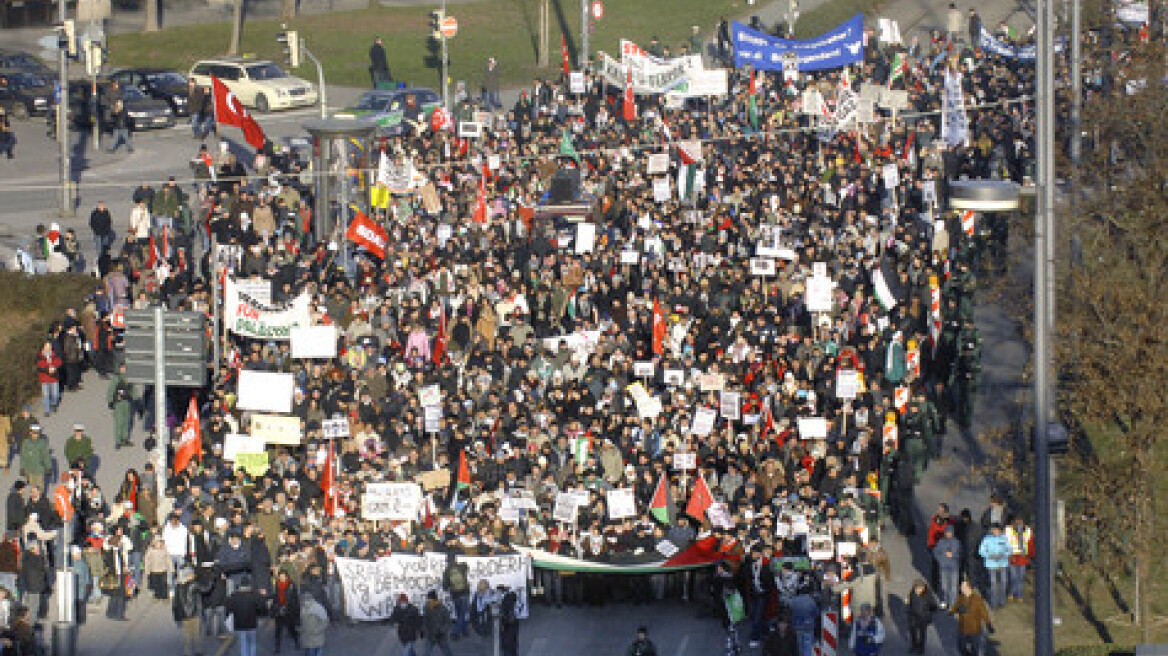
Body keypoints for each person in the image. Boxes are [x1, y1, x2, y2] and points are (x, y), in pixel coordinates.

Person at [950, 580, 993, 656]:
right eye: (961, 586)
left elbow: (984, 612)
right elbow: (953, 609)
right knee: (961, 648)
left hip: (974, 629)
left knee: (975, 650)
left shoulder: (977, 599)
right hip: (963, 629)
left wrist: (988, 624)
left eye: (963, 586)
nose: (961, 588)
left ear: (968, 587)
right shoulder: (960, 598)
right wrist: (956, 610)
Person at [225, 574, 264, 656]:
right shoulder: (254, 595)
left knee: (243, 644)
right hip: (252, 623)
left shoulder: (234, 596)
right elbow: (261, 607)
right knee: (252, 643)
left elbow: (229, 609)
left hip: (239, 624)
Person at [172, 566, 203, 656]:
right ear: (189, 575)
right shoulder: (193, 585)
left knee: (186, 635)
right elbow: (205, 589)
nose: (193, 575)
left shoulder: (178, 587)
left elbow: (175, 603)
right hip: (195, 613)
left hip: (184, 615)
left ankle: (187, 652)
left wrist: (176, 617)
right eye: (192, 574)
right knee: (196, 633)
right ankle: (198, 651)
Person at [978, 524, 1010, 608]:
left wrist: (1003, 555)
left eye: (997, 530)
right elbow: (981, 551)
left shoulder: (1004, 538)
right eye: (994, 530)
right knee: (993, 584)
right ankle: (993, 603)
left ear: (1000, 530)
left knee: (1004, 583)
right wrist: (989, 555)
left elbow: (1009, 550)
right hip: (991, 565)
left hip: (1002, 564)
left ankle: (1002, 601)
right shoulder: (986, 539)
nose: (995, 531)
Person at [269, 569, 300, 654]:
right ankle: (277, 648)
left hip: (289, 610)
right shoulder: (277, 585)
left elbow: (295, 599)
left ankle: (297, 641)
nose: (282, 577)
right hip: (279, 610)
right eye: (280, 576)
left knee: (291, 629)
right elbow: (275, 597)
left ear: (286, 576)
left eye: (283, 576)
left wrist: (297, 612)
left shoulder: (291, 585)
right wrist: (273, 607)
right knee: (278, 631)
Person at [906, 579, 940, 654]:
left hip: (923, 617)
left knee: (922, 634)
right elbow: (909, 604)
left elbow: (933, 605)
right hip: (913, 616)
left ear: (923, 587)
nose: (917, 591)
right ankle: (914, 645)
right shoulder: (912, 593)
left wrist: (931, 609)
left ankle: (921, 648)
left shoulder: (928, 595)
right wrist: (909, 612)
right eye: (916, 589)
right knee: (913, 632)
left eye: (919, 589)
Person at [932, 524, 963, 608]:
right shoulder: (940, 542)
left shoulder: (957, 542)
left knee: (953, 587)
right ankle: (946, 601)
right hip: (943, 567)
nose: (948, 534)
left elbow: (961, 554)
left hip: (954, 567)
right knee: (944, 587)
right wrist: (941, 560)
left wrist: (953, 555)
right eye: (947, 532)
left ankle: (953, 605)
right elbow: (935, 553)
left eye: (950, 532)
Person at [441, 552, 470, 639]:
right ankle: (458, 631)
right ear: (455, 559)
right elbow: (467, 567)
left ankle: (461, 631)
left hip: (455, 595)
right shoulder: (462, 567)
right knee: (462, 614)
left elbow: (445, 586)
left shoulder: (446, 571)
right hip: (464, 593)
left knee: (459, 614)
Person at [1005, 517, 1034, 602]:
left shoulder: (1028, 531)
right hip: (1012, 557)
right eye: (1017, 522)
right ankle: (1012, 592)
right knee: (1013, 577)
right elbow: (1005, 543)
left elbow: (1030, 544)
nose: (1018, 524)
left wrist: (1030, 556)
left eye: (1020, 522)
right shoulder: (1008, 530)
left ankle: (1019, 594)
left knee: (1021, 577)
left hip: (1022, 557)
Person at [107, 365, 134, 449]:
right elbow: (111, 389)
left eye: (125, 367)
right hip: (118, 402)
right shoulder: (116, 378)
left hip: (127, 402)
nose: (124, 369)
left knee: (126, 421)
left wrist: (135, 398)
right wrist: (110, 401)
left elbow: (132, 389)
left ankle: (125, 439)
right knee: (119, 422)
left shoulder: (129, 378)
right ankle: (118, 441)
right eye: (122, 367)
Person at [421, 589, 453, 656]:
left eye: (430, 599)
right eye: (428, 599)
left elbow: (448, 622)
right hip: (430, 635)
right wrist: (423, 630)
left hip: (441, 635)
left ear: (434, 599)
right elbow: (425, 621)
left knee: (447, 652)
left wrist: (442, 630)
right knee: (426, 652)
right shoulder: (426, 608)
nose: (428, 601)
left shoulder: (443, 609)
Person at [35, 342, 61, 417]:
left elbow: (59, 362)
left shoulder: (54, 354)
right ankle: (46, 410)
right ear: (43, 347)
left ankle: (53, 404)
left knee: (55, 394)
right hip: (44, 378)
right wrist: (47, 369)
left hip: (54, 378)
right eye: (47, 346)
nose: (48, 348)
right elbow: (39, 366)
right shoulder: (40, 356)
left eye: (49, 346)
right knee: (46, 395)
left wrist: (54, 367)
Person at [498, 587, 520, 656]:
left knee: (507, 642)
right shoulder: (512, 597)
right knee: (512, 641)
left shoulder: (505, 599)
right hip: (512, 622)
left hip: (507, 623)